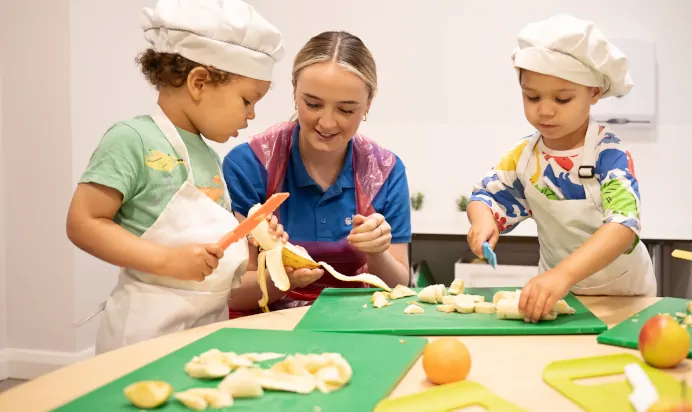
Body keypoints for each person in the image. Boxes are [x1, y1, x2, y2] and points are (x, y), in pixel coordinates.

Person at [66, 0, 285, 354]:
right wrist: (167, 261)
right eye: (247, 100)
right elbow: (83, 222)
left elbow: (213, 245)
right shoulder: (131, 139)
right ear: (199, 82)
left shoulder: (210, 157)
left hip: (206, 329)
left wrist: (257, 240)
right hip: (142, 336)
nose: (252, 115)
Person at [466, 14, 656, 323]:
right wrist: (483, 222)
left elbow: (623, 226)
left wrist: (563, 274)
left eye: (562, 98)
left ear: (594, 92)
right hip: (557, 298)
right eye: (532, 96)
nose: (545, 109)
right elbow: (485, 195)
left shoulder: (609, 154)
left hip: (623, 299)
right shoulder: (524, 157)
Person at [222, 31, 412, 317]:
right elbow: (233, 293)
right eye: (312, 104)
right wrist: (281, 282)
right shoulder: (249, 165)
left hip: (354, 324)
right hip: (263, 329)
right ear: (294, 90)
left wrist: (377, 252)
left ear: (368, 104)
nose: (327, 122)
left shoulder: (385, 171)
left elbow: (399, 284)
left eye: (346, 109)